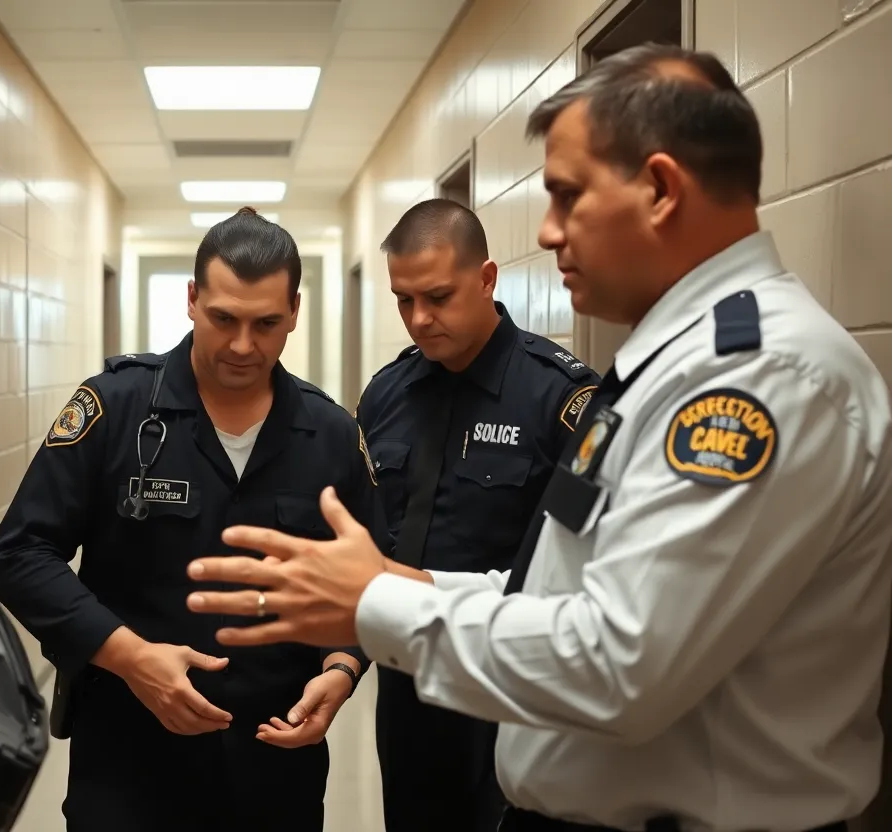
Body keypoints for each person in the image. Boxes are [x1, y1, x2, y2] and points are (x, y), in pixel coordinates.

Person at [182, 45, 892, 832]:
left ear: (660, 188)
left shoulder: (760, 378)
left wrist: (377, 600)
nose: (548, 233)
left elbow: (622, 662)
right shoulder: (674, 364)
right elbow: (562, 596)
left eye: (566, 195)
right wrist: (392, 584)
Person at [0, 207, 381, 832]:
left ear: (295, 313)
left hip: (274, 764)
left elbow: (370, 581)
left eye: (267, 323)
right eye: (223, 318)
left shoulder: (330, 434)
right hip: (128, 760)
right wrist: (131, 657)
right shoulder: (115, 408)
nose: (243, 345)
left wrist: (343, 668)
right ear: (192, 299)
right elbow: (19, 554)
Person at [355, 198, 600, 832]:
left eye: (437, 296)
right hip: (409, 679)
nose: (419, 319)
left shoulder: (560, 400)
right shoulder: (385, 395)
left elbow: (585, 566)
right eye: (404, 300)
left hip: (514, 682)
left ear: (487, 279)